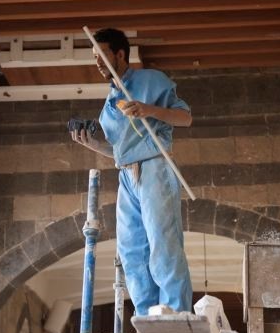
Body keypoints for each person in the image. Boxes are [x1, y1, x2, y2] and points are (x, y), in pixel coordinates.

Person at [70, 27, 193, 315]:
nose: (97, 62)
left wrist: (148, 109)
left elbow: (185, 117)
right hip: (127, 174)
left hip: (154, 167)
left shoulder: (152, 80)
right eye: (94, 57)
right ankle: (147, 314)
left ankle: (175, 312)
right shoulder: (109, 105)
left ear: (120, 54)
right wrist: (92, 144)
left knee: (163, 243)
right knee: (132, 250)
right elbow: (120, 152)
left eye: (101, 55)